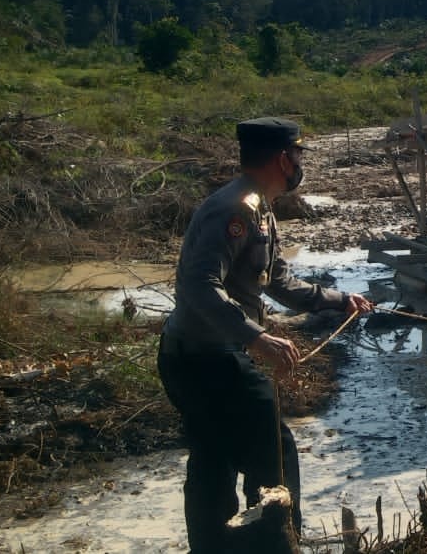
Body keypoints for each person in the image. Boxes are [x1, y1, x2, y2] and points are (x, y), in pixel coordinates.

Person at [157, 117, 375, 552]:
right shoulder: (236, 209)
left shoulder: (257, 207)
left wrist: (337, 299)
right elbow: (200, 284)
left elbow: (279, 282)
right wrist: (257, 336)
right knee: (273, 448)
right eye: (298, 155)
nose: (299, 164)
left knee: (214, 455)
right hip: (205, 357)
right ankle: (276, 542)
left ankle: (214, 545)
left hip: (194, 352)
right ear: (282, 158)